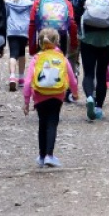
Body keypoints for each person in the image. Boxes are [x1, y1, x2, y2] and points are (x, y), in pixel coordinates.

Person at [23, 28, 79, 168]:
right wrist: (75, 92)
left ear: (40, 42)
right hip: (57, 95)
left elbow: (29, 81)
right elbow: (72, 78)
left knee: (42, 123)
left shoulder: (37, 59)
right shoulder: (62, 58)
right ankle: (50, 155)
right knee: (52, 123)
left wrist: (26, 101)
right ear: (57, 42)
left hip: (40, 95)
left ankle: (42, 156)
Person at [64, 0, 94, 92]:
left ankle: (71, 86)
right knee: (91, 54)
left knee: (72, 54)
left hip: (75, 21)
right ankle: (91, 86)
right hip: (92, 21)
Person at [5, 0, 33, 91]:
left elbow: (6, 15)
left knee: (13, 54)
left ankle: (12, 76)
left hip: (12, 30)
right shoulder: (30, 3)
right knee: (21, 53)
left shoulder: (10, 2)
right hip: (24, 31)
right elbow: (31, 18)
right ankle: (21, 78)